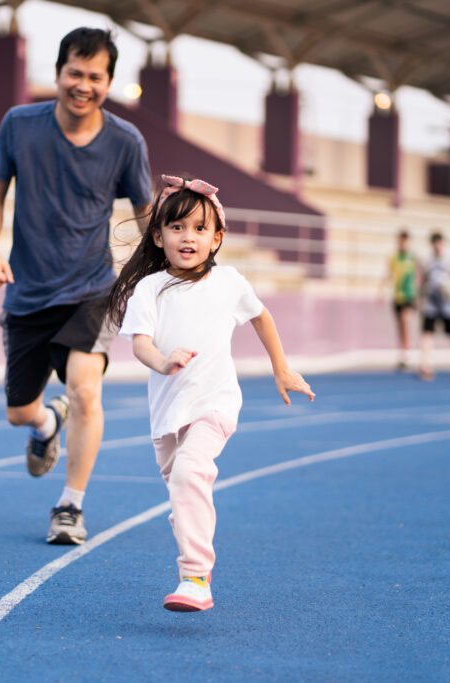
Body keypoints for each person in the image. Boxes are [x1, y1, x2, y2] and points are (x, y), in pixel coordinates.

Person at [107, 174, 315, 612]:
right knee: (182, 487)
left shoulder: (229, 282)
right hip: (167, 414)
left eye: (200, 229)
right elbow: (141, 342)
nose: (188, 237)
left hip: (216, 403)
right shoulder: (150, 288)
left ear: (217, 238)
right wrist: (164, 362)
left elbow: (262, 318)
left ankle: (195, 577)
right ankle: (191, 534)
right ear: (160, 237)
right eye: (177, 227)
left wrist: (281, 368)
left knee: (189, 475)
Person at [0, 27, 153, 545]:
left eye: (95, 76)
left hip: (91, 290)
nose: (83, 84)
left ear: (109, 82)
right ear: (57, 74)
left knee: (84, 388)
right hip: (28, 292)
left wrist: (159, 279)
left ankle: (69, 507)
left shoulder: (125, 142)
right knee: (17, 412)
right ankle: (44, 423)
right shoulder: (20, 125)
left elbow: (146, 212)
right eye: (74, 73)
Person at [418, 231, 450, 381]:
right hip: (431, 302)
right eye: (435, 243)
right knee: (427, 333)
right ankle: (426, 365)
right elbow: (420, 280)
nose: (437, 246)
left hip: (448, 303)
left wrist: (449, 287)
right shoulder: (425, 259)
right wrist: (420, 297)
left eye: (440, 242)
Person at [385, 228, 418, 371]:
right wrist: (381, 290)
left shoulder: (413, 257)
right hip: (397, 295)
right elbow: (390, 274)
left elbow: (418, 277)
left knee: (405, 322)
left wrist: (418, 295)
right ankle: (402, 354)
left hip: (409, 295)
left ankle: (407, 353)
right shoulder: (393, 257)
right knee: (399, 325)